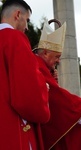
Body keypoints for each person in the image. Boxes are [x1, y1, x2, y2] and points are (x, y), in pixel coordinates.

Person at [32, 19, 81, 150]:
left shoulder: (40, 65)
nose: (58, 61)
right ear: (45, 52)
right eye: (57, 57)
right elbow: (57, 99)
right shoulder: (38, 66)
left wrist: (53, 80)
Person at [0, 1, 50, 150]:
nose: (27, 27)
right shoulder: (14, 38)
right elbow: (26, 93)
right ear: (17, 15)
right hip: (11, 130)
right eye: (27, 20)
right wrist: (43, 88)